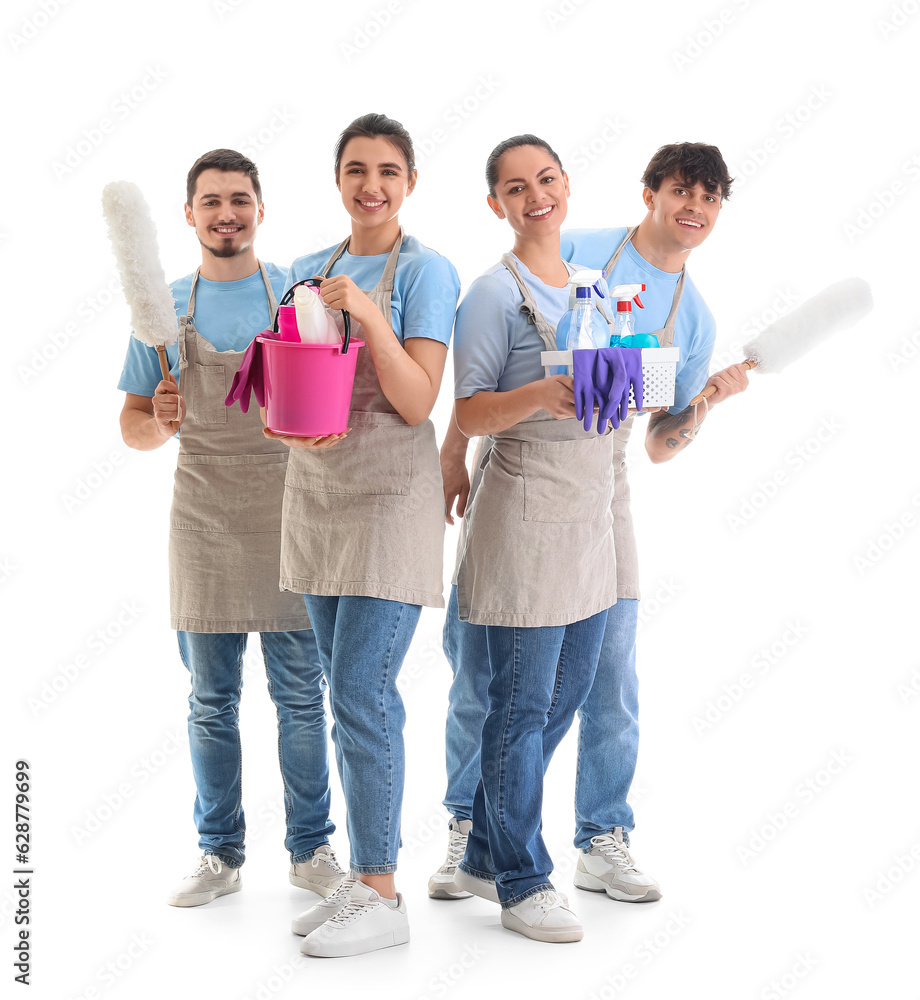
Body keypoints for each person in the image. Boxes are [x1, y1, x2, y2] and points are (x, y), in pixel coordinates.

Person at [432, 142, 749, 906]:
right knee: (484, 667)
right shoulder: (576, 251)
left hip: (605, 484)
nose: (693, 209)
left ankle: (601, 835)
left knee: (608, 665)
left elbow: (659, 444)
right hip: (524, 466)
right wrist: (452, 451)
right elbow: (491, 359)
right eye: (680, 191)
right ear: (650, 193)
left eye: (708, 198)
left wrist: (703, 403)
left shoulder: (694, 317)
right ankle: (470, 823)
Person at [118, 149, 342, 908]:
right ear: (188, 215)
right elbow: (133, 426)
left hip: (292, 518)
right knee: (210, 701)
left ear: (260, 209)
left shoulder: (297, 299)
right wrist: (160, 422)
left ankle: (311, 849)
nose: (226, 213)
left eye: (239, 199)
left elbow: (331, 405)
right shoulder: (162, 311)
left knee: (302, 698)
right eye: (211, 201)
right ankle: (220, 853)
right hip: (203, 523)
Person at [266, 114, 460, 958]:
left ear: (409, 182)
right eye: (355, 169)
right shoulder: (310, 268)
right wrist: (287, 432)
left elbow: (419, 402)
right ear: (337, 178)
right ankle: (359, 874)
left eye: (387, 170)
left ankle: (383, 891)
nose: (370, 184)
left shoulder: (427, 270)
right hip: (317, 499)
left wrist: (370, 317)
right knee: (344, 699)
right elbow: (285, 383)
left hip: (390, 500)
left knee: (363, 695)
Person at [445, 134, 623, 944]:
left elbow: (610, 382)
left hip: (587, 518)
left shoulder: (594, 286)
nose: (535, 195)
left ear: (566, 185)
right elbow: (472, 411)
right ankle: (522, 879)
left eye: (546, 178)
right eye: (516, 187)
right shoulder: (491, 294)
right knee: (518, 708)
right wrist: (540, 394)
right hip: (520, 515)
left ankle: (484, 848)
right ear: (497, 205)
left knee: (568, 692)